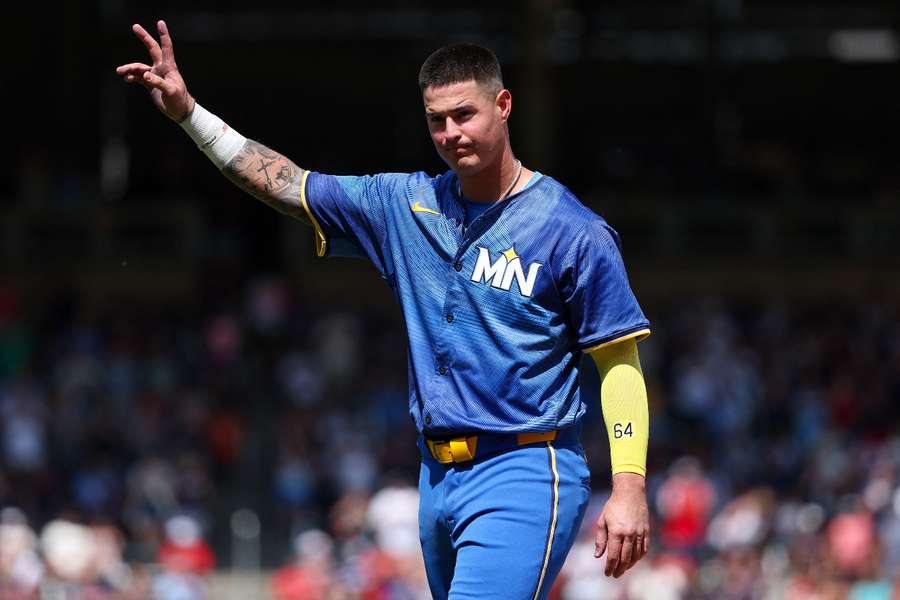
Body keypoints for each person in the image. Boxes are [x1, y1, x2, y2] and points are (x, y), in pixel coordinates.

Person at [117, 20, 653, 598]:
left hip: (524, 468)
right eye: (435, 120)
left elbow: (619, 363)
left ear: (504, 105)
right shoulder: (403, 203)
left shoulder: (572, 230)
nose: (450, 133)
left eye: (464, 114)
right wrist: (190, 115)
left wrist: (628, 487)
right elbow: (286, 184)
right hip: (436, 476)